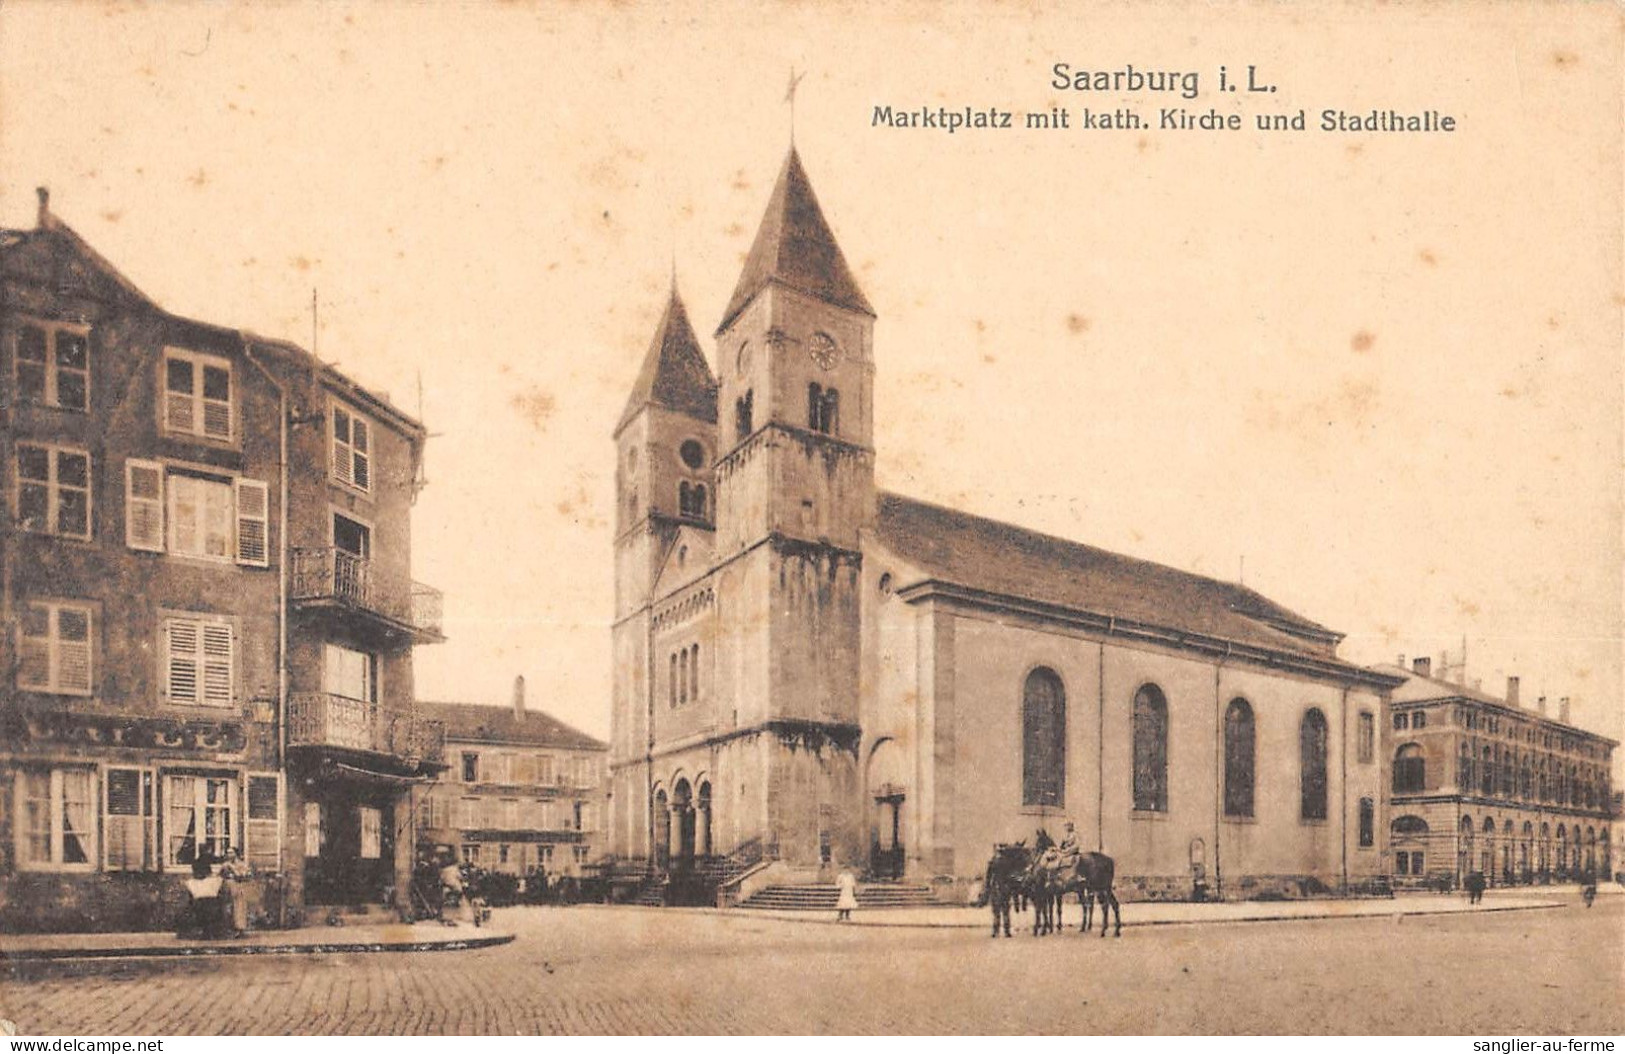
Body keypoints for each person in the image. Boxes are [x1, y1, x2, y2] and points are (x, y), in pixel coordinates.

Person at [179, 857, 227, 939]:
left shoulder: (191, 883)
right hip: (214, 911)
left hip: (199, 912)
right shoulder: (216, 881)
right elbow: (222, 897)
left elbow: (190, 901)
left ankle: (201, 931)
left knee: (192, 907)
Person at [220, 847, 252, 935]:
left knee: (239, 907)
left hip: (238, 887)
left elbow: (244, 876)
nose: (229, 855)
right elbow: (221, 875)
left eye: (231, 853)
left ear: (236, 854)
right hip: (228, 887)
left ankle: (240, 929)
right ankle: (229, 928)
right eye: (228, 853)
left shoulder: (242, 865)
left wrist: (234, 871)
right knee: (228, 907)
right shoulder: (225, 865)